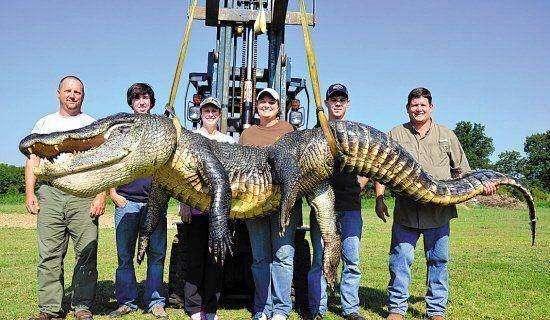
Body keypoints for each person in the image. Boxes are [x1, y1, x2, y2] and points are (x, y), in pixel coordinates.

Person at [374, 87, 496, 320]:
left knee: (438, 260)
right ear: (407, 108)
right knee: (400, 259)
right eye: (414, 105)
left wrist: (484, 188)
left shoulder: (447, 135)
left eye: (423, 105)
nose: (418, 109)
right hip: (406, 211)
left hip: (439, 213)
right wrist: (379, 198)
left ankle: (436, 310)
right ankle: (397, 308)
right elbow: (381, 169)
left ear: (431, 107)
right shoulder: (395, 134)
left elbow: (464, 172)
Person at [25, 76, 107, 320]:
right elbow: (32, 160)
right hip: (50, 192)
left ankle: (82, 305)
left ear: (84, 96)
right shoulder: (44, 123)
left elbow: (103, 163)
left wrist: (100, 195)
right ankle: (49, 308)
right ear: (58, 93)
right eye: (68, 91)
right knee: (49, 253)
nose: (72, 95)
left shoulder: (92, 124)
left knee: (86, 252)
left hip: (83, 193)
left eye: (77, 92)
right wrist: (30, 192)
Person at [307, 84, 368, 320]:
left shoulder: (356, 132)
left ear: (348, 103)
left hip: (350, 206)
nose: (338, 103)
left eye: (342, 99)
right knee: (320, 259)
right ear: (327, 102)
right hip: (323, 208)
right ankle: (317, 310)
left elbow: (369, 164)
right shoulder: (317, 130)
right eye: (334, 99)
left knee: (351, 260)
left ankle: (350, 309)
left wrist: (359, 184)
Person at [108, 83, 168, 319]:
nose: (142, 102)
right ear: (131, 103)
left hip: (155, 203)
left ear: (152, 102)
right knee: (125, 256)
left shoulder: (161, 128)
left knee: (156, 254)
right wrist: (114, 194)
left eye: (145, 98)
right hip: (127, 203)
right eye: (137, 98)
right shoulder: (122, 129)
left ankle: (155, 302)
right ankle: (127, 301)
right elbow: (111, 163)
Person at [239, 88, 298, 320]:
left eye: (270, 101)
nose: (266, 104)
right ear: (256, 106)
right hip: (255, 205)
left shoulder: (288, 130)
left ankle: (281, 309)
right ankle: (262, 308)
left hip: (283, 205)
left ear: (278, 105)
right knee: (260, 258)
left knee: (283, 257)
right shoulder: (247, 134)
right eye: (262, 101)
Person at [178, 97, 236, 320]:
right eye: (206, 110)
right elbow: (184, 175)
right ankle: (194, 307)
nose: (210, 114)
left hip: (220, 213)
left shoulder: (228, 141)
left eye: (214, 110)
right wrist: (184, 203)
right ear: (200, 113)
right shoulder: (192, 138)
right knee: (195, 260)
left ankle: (210, 307)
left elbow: (233, 178)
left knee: (216, 260)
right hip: (196, 209)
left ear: (219, 115)